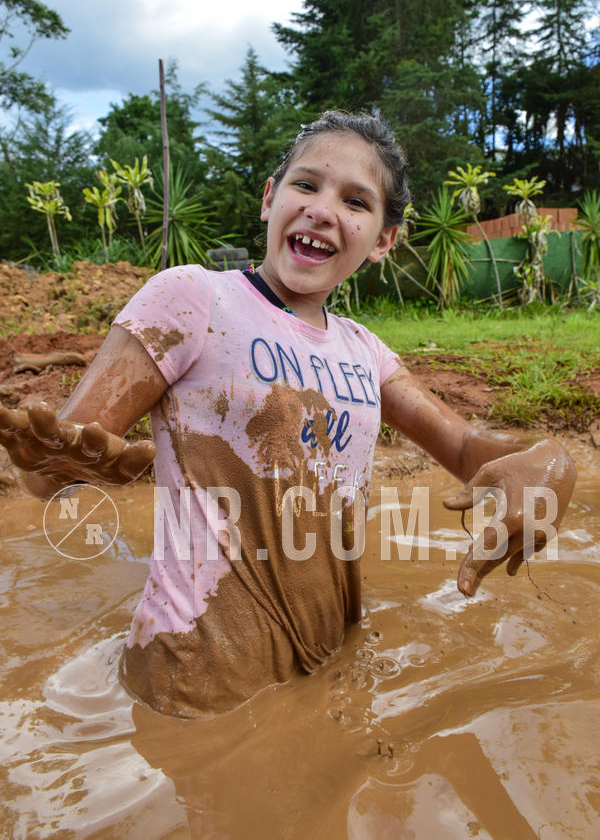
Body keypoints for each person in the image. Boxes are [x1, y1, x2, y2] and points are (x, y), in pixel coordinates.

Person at [0, 111, 576, 718]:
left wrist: (553, 465)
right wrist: (62, 465)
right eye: (306, 185)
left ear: (383, 239)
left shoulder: (366, 351)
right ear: (271, 199)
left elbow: (465, 450)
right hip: (198, 671)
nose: (322, 209)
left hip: (330, 656)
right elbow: (48, 473)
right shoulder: (194, 298)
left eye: (355, 200)